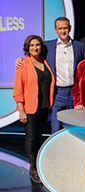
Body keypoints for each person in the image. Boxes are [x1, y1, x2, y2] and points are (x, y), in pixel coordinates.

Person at [16, 17, 85, 134]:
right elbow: (33, 56)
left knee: (74, 128)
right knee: (56, 129)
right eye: (60, 28)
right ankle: (56, 151)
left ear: (70, 28)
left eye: (65, 28)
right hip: (57, 93)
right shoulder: (47, 47)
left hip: (75, 93)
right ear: (55, 30)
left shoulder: (80, 47)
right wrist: (20, 60)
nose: (63, 31)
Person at [13, 35, 55, 183]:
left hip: (43, 107)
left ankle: (37, 163)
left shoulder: (44, 62)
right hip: (29, 108)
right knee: (31, 139)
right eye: (31, 46)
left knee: (38, 137)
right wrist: (21, 109)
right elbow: (18, 89)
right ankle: (33, 168)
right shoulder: (23, 64)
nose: (35, 48)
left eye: (37, 45)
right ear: (27, 48)